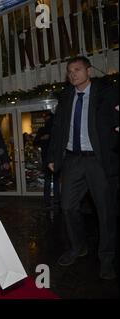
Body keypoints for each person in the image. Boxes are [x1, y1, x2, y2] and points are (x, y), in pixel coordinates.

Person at [48, 56, 118, 280]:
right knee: (67, 207)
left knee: (105, 212)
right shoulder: (66, 97)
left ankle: (106, 260)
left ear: (89, 70)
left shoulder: (106, 93)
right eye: (69, 71)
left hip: (98, 160)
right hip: (73, 160)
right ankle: (79, 247)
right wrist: (52, 156)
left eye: (77, 69)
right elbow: (57, 129)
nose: (72, 74)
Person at [33, 113, 60, 209]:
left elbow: (35, 142)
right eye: (46, 118)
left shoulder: (54, 130)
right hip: (49, 158)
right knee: (52, 180)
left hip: (51, 158)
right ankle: (51, 201)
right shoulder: (50, 130)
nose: (47, 120)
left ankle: (52, 201)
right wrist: (42, 138)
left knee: (52, 180)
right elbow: (35, 142)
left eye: (47, 118)